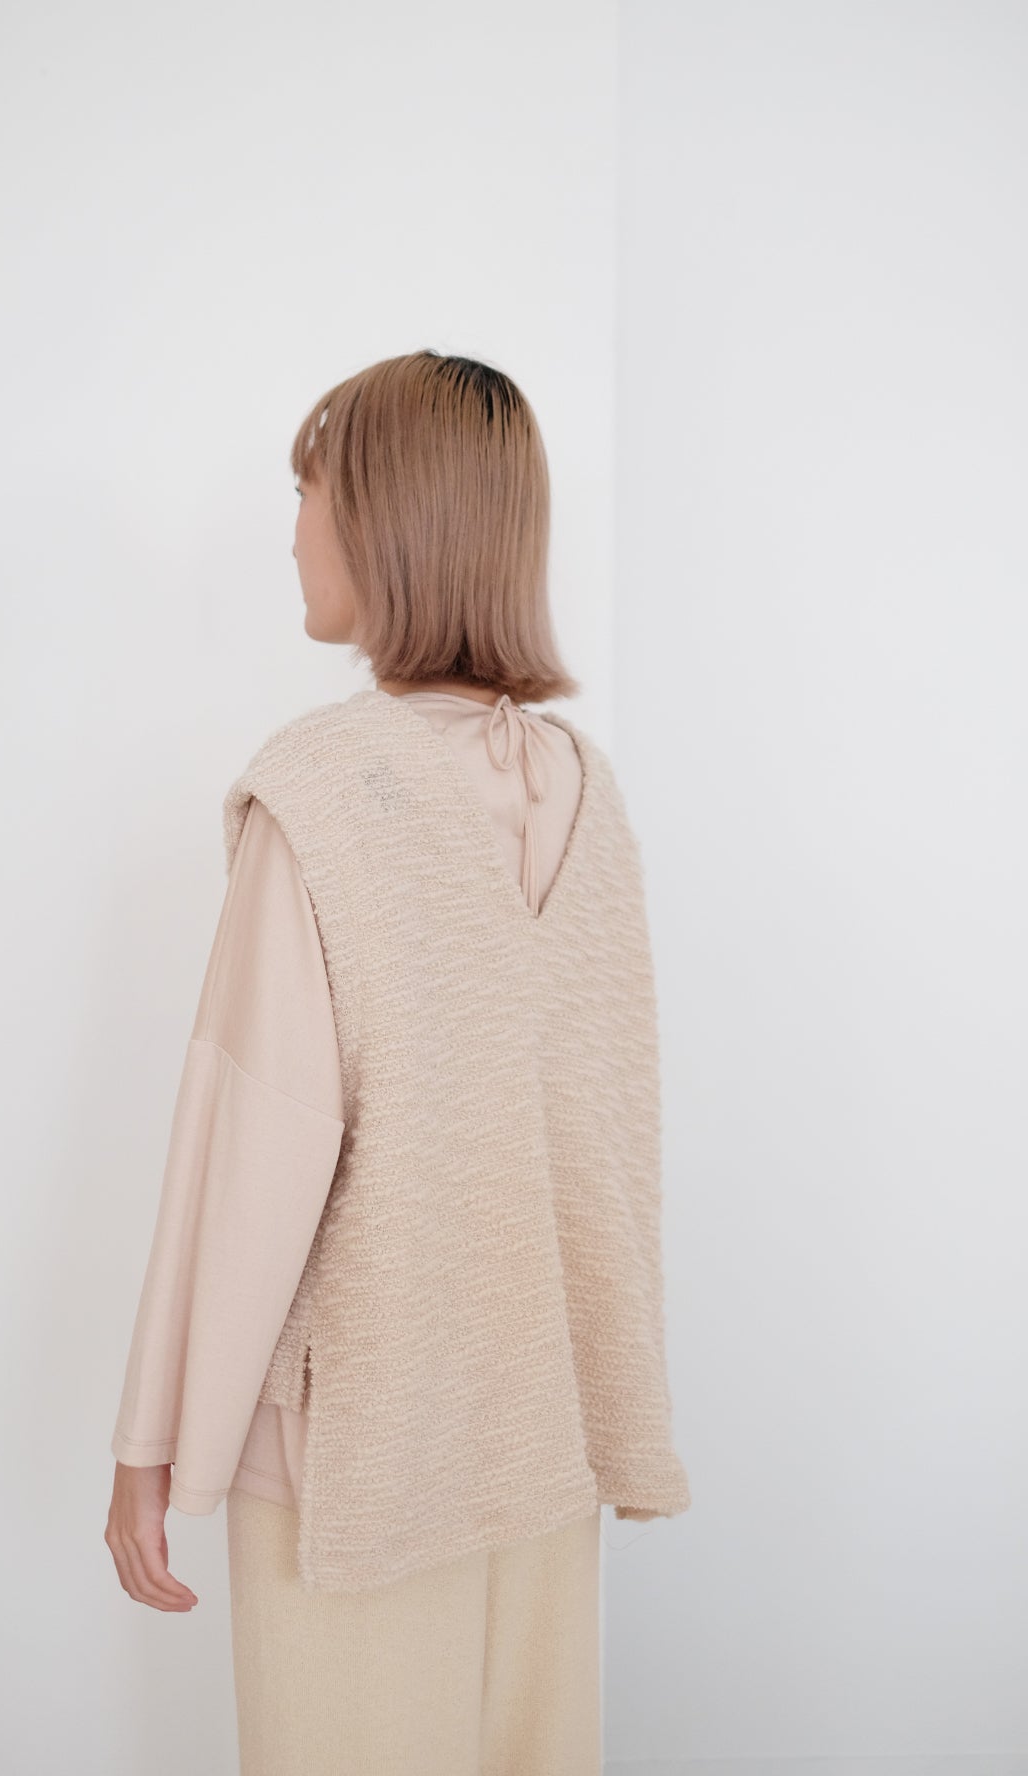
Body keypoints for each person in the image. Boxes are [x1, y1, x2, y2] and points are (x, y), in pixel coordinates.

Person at [104, 349, 690, 1774]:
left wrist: (157, 1441)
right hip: (547, 1438)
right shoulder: (587, 793)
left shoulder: (322, 791)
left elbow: (249, 1150)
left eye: (310, 489)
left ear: (385, 519)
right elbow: (613, 1133)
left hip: (358, 1467)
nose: (293, 528)